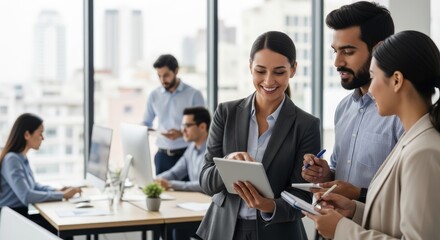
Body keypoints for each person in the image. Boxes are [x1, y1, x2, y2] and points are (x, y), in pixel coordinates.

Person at [305, 30, 440, 239]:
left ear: (396, 80)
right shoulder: (412, 139)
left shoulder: (424, 151)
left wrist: (342, 230)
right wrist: (354, 211)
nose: (371, 88)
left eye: (373, 76)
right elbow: (394, 218)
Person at [196, 31, 321, 240]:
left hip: (277, 233)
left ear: (294, 69)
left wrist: (269, 205)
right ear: (250, 68)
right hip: (224, 230)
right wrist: (227, 162)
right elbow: (206, 181)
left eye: (279, 72)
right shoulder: (226, 113)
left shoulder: (306, 125)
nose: (268, 81)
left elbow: (303, 196)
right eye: (260, 71)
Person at [302, 1, 403, 202]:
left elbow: (409, 194)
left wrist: (357, 195)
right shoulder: (344, 108)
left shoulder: (401, 113)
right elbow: (338, 170)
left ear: (379, 50)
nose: (337, 62)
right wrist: (325, 174)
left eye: (348, 52)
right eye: (335, 51)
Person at [0, 113, 81, 235]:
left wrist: (57, 191)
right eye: (40, 133)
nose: (42, 138)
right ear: (27, 134)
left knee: (63, 227)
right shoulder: (12, 159)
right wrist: (62, 195)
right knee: (62, 230)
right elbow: (26, 195)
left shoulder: (21, 158)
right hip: (12, 219)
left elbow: (33, 186)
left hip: (19, 215)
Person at [143, 54, 205, 175]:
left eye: (166, 75)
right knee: (160, 192)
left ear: (176, 71)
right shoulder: (154, 95)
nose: (162, 80)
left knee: (188, 192)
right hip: (162, 156)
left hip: (186, 155)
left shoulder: (194, 94)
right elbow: (146, 122)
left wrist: (181, 134)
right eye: (159, 76)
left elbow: (203, 127)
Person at [155, 106, 210, 192]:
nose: (182, 130)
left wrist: (170, 184)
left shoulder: (213, 151)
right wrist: (155, 180)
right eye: (182, 125)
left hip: (208, 201)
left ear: (202, 127)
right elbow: (174, 173)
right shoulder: (191, 148)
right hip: (196, 199)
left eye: (187, 126)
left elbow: (204, 184)